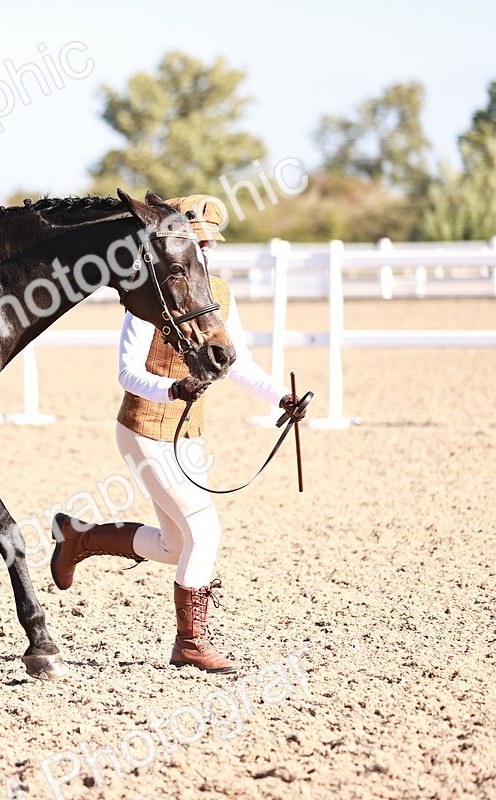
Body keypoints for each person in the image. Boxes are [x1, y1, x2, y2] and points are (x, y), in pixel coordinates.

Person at [50, 194, 305, 673]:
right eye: (197, 242)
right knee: (204, 533)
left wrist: (279, 399)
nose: (204, 253)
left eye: (208, 244)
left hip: (189, 436)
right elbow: (126, 372)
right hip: (144, 429)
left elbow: (239, 364)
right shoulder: (151, 298)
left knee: (173, 546)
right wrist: (174, 388)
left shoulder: (219, 296)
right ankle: (190, 643)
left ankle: (78, 538)